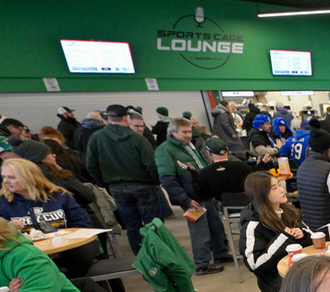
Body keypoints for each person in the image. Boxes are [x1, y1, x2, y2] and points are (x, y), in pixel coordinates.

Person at [155, 117, 231, 275]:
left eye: (189, 131)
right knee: (199, 230)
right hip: (192, 197)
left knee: (215, 225)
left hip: (205, 192)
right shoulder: (165, 150)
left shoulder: (189, 145)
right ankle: (202, 263)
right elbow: (168, 180)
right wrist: (186, 200)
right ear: (173, 132)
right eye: (184, 132)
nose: (188, 134)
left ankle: (220, 253)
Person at [0, 158, 97, 278]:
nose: (6, 181)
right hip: (29, 251)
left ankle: (87, 290)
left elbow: (82, 222)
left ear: (30, 177)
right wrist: (9, 227)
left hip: (70, 246)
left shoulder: (59, 196)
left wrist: (62, 246)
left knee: (81, 255)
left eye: (12, 177)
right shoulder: (3, 202)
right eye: (3, 177)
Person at [85, 104, 162, 254]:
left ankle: (141, 257)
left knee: (132, 226)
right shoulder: (138, 139)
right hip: (143, 185)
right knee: (153, 222)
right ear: (126, 118)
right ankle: (158, 253)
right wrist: (156, 181)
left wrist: (103, 183)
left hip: (117, 187)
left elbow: (91, 165)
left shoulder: (97, 138)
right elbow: (151, 164)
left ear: (108, 118)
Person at [240, 172, 313, 292]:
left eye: (279, 185)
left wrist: (302, 236)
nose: (281, 190)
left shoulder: (288, 211)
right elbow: (254, 264)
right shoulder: (253, 224)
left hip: (303, 282)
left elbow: (310, 240)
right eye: (274, 188)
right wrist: (284, 238)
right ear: (261, 195)